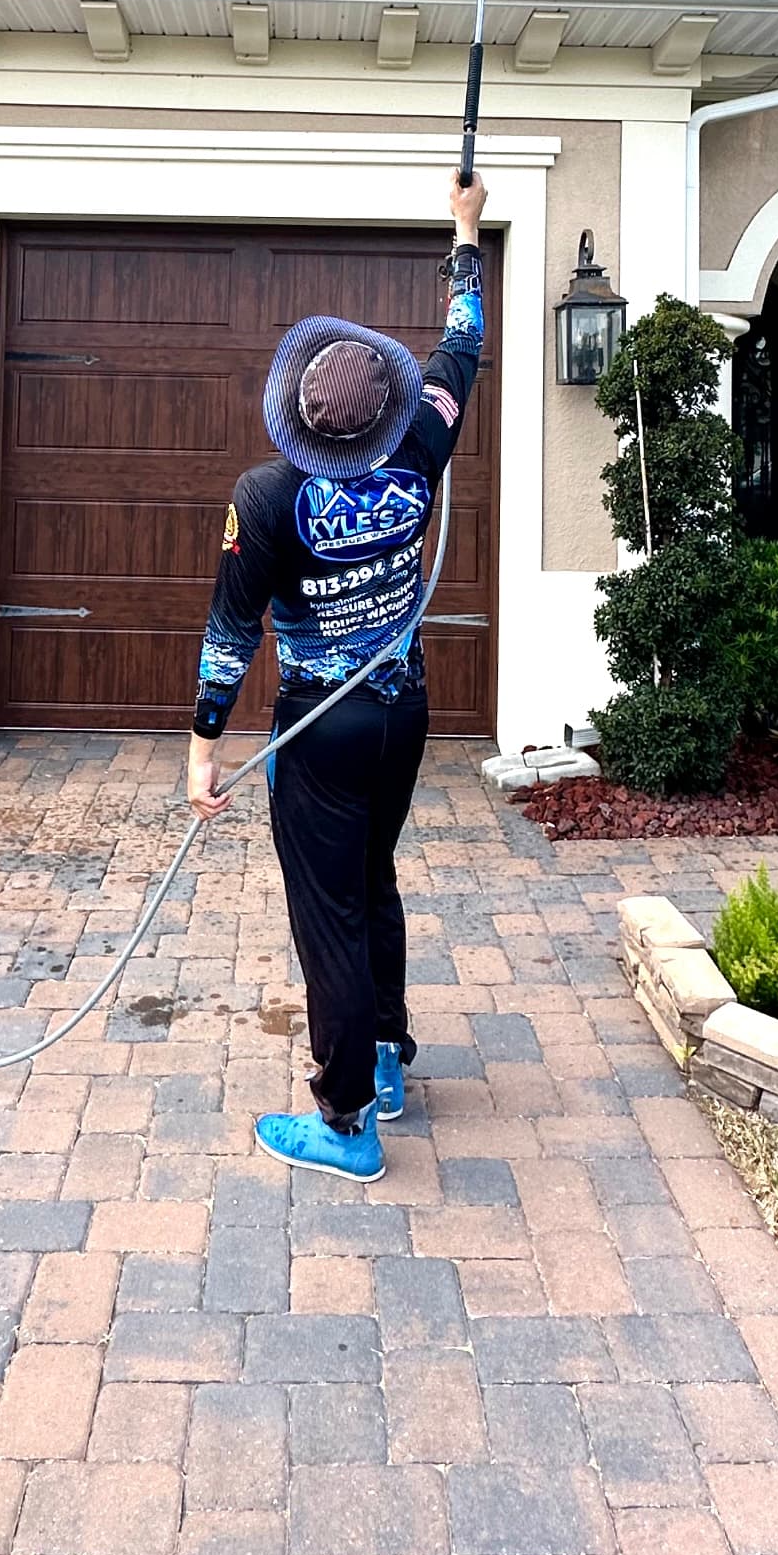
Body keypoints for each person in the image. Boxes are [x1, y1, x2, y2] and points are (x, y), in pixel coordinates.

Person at [187, 173, 487, 1182]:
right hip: (404, 712)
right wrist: (464, 232)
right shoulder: (423, 443)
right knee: (372, 879)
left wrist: (202, 749)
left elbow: (230, 633)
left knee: (332, 916)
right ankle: (388, 1057)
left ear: (301, 416)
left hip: (320, 729)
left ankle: (348, 1120)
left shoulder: (268, 494)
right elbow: (463, 344)